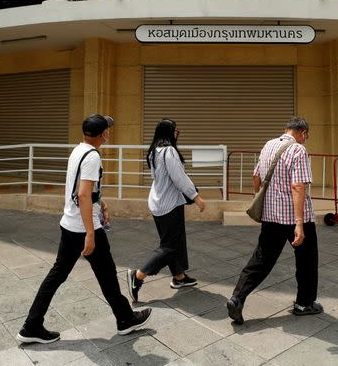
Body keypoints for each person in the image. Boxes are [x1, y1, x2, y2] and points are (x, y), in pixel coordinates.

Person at [17, 114, 151, 344]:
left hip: (70, 224)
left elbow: (85, 190)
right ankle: (125, 319)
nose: (109, 133)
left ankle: (32, 325)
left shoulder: (79, 150)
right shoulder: (93, 157)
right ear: (103, 134)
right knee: (107, 276)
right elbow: (83, 194)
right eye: (107, 130)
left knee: (58, 276)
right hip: (83, 228)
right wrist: (90, 233)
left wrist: (102, 204)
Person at [226, 116, 321, 324]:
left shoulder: (268, 145)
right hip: (296, 216)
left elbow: (256, 177)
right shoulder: (298, 150)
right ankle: (304, 303)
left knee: (261, 259)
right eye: (306, 136)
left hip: (271, 216)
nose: (305, 140)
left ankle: (237, 298)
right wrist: (298, 223)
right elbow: (298, 186)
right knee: (307, 260)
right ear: (303, 133)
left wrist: (261, 200)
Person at [127, 119, 206, 302]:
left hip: (158, 202)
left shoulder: (154, 151)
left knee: (174, 242)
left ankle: (179, 277)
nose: (177, 133)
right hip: (169, 205)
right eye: (175, 130)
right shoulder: (168, 151)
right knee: (169, 247)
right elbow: (179, 178)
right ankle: (138, 276)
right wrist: (196, 197)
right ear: (167, 132)